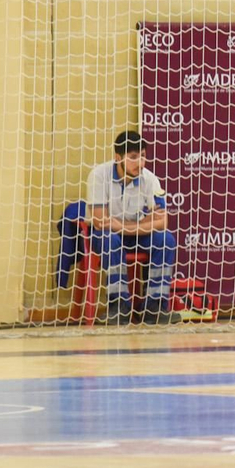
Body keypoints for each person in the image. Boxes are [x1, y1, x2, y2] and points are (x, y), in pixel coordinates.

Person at [86, 130, 178, 324]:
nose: (140, 163)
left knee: (166, 240)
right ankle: (119, 306)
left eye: (142, 156)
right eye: (133, 157)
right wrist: (143, 223)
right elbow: (101, 221)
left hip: (135, 234)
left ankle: (154, 306)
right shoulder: (99, 175)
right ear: (118, 157)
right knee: (110, 238)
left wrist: (121, 225)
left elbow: (162, 222)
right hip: (106, 235)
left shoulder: (150, 179)